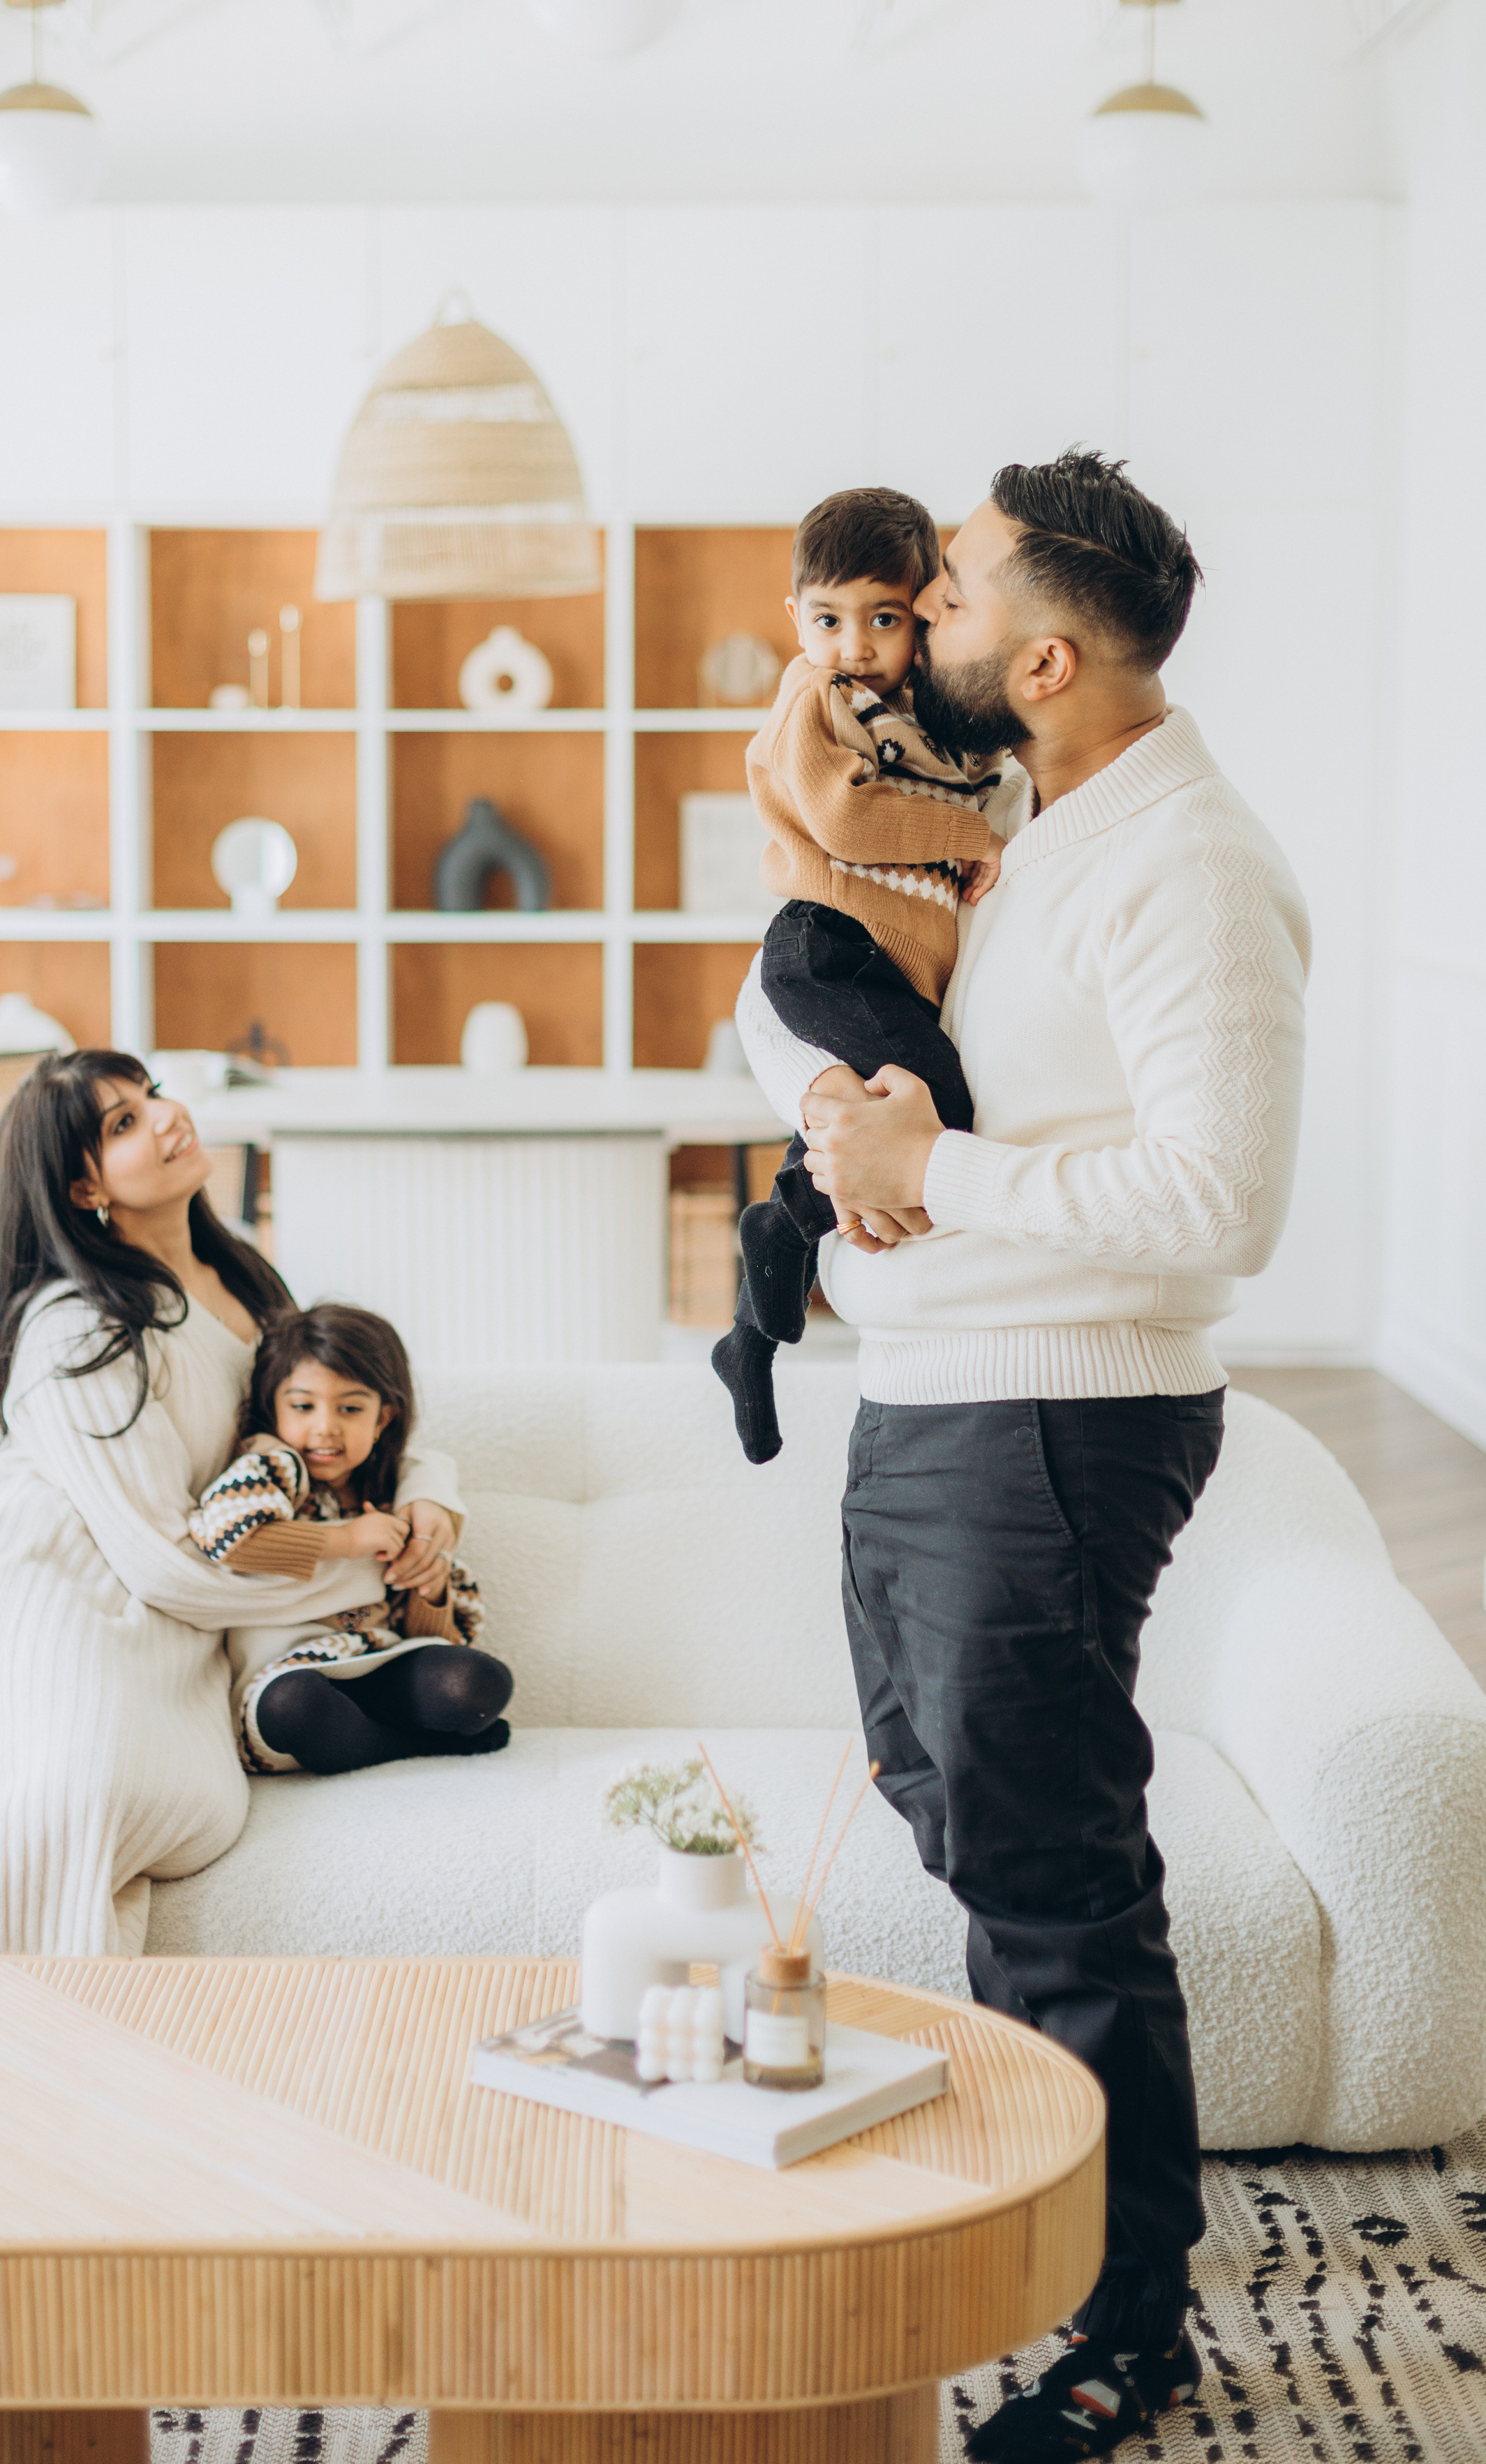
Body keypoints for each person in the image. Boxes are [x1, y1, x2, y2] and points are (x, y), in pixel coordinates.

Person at [736, 451, 1309, 2463]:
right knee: (958, 1805)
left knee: (1056, 1881)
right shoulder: (1038, 830)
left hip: (1056, 1418)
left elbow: (1219, 1201)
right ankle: (1077, 2191)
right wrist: (838, 1105)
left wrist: (930, 1165)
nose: (913, 619)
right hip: (941, 1398)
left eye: (952, 598)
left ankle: (1118, 2320)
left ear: (1047, 660)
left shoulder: (1186, 866)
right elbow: (821, 990)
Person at [0, 1052, 463, 1956]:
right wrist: (364, 1567)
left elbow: (341, 1423)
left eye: (151, 1097)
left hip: (161, 1606)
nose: (165, 1117)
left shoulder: (247, 1289)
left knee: (194, 1807)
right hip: (53, 1587)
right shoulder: (75, 1323)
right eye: (122, 1123)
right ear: (83, 1188)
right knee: (90, 1795)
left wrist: (432, 1504)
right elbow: (163, 1558)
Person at [710, 485, 1006, 1465]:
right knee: (941, 1110)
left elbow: (978, 774)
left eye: (883, 620)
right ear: (797, 618)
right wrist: (971, 836)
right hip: (826, 946)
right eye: (830, 620)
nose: (855, 644)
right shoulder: (818, 697)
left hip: (883, 963)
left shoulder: (918, 711)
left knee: (879, 1121)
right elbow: (843, 821)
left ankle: (757, 1317)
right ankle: (786, 1237)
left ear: (923, 613)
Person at [190, 1300, 512, 1775]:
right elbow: (227, 1536)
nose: (325, 1426)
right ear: (272, 1408)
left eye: (351, 1408)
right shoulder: (272, 1466)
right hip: (289, 1678)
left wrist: (431, 1584)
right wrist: (346, 1539)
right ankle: (402, 1744)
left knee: (477, 1682)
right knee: (297, 1707)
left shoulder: (392, 1495)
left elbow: (432, 1639)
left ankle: (377, 1736)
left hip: (377, 1663)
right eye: (303, 1406)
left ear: (382, 1419)